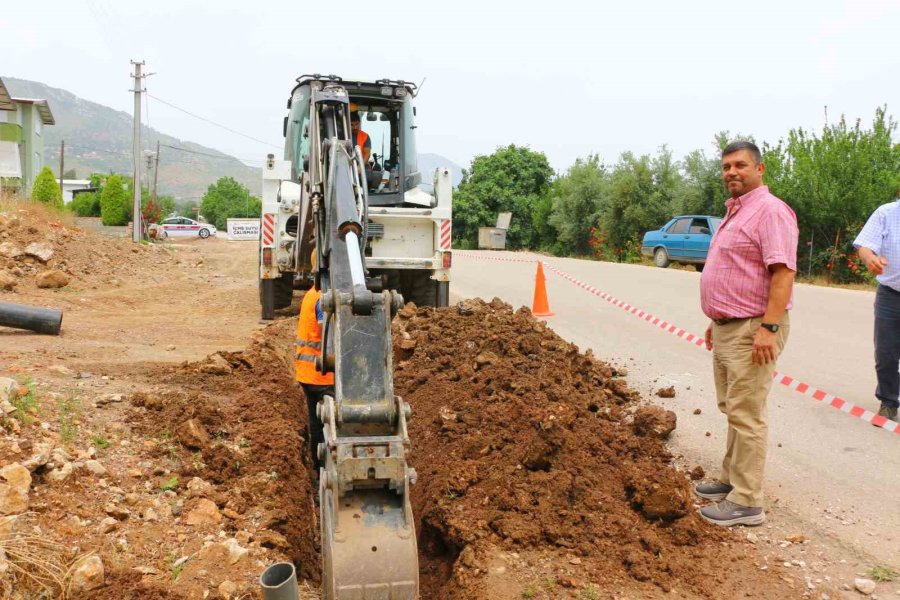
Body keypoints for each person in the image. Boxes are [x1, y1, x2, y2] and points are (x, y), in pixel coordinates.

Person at [695, 140, 799, 527]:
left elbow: (783, 274)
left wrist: (769, 329)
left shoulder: (770, 212)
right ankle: (729, 480)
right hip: (730, 326)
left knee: (747, 412)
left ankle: (747, 501)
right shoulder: (736, 212)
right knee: (733, 408)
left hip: (755, 327)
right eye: (726, 167)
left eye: (740, 165)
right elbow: (738, 272)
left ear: (760, 169)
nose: (732, 173)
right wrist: (717, 317)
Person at [853, 191, 900, 422]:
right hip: (891, 294)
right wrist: (870, 258)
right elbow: (864, 245)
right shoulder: (887, 213)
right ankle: (889, 402)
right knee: (886, 352)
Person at [295, 259, 334, 473]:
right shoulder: (322, 298)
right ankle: (324, 470)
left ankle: (319, 471)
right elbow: (328, 330)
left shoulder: (312, 293)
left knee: (317, 424)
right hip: (323, 376)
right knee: (330, 425)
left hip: (309, 373)